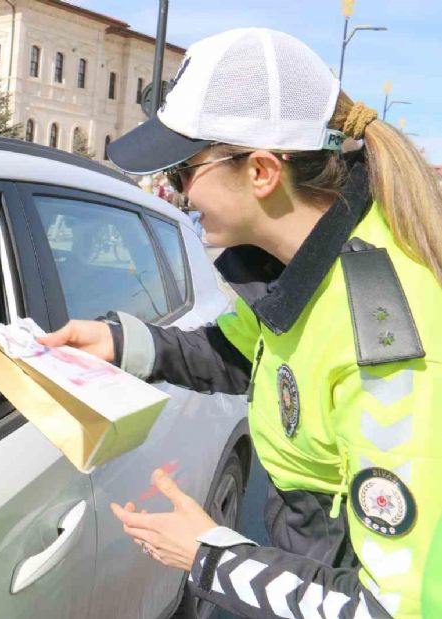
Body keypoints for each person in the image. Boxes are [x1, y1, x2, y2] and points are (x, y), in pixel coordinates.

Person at [40, 28, 442, 619]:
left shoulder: (388, 347)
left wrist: (209, 557)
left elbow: (390, 608)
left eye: (182, 171)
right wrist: (119, 342)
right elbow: (234, 353)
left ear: (260, 171)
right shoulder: (295, 267)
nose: (174, 191)